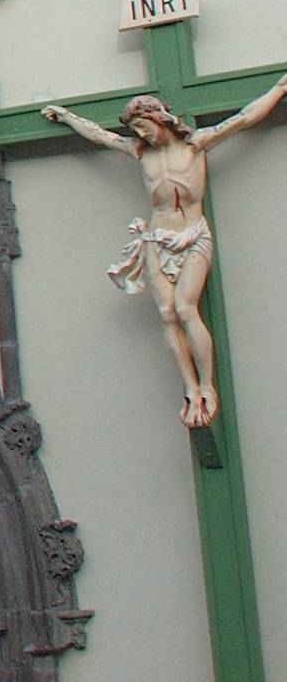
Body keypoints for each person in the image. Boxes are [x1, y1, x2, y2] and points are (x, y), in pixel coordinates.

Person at [43, 73, 287, 427]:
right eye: (137, 129)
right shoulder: (141, 152)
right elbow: (101, 135)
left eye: (144, 125)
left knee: (187, 308)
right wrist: (67, 116)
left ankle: (207, 387)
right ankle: (189, 389)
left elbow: (246, 117)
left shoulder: (196, 145)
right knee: (167, 311)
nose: (142, 134)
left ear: (160, 118)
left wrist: (280, 89)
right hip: (156, 239)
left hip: (193, 236)